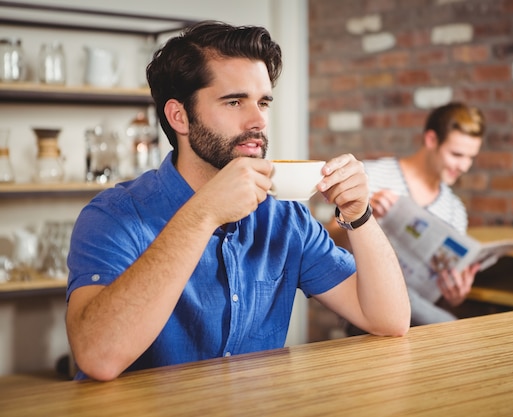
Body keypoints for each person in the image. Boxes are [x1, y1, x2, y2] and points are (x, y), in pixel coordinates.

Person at [65, 21, 410, 381]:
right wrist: (203, 214)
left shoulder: (285, 217)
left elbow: (389, 320)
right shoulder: (113, 215)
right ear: (179, 116)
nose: (258, 120)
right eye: (234, 101)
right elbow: (98, 357)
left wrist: (359, 215)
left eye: (263, 102)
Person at [326, 102, 485, 331]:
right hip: (367, 312)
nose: (464, 166)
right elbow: (329, 243)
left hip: (418, 321)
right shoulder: (371, 176)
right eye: (457, 154)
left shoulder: (455, 209)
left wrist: (455, 294)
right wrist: (361, 213)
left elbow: (444, 295)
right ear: (431, 140)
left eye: (471, 157)